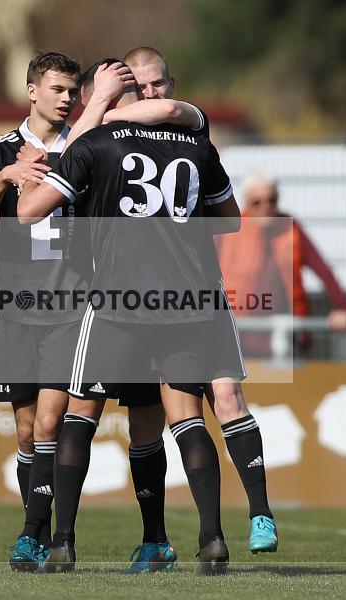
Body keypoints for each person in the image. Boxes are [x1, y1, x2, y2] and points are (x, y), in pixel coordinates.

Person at [19, 76, 240, 575]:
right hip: (182, 302)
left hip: (116, 298)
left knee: (82, 415)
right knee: (185, 419)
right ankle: (211, 537)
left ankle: (63, 542)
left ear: (101, 98)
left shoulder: (93, 143)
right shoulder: (195, 141)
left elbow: (29, 212)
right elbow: (229, 219)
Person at [0, 52, 135, 572]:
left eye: (71, 90)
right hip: (18, 307)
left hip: (72, 304)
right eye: (56, 89)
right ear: (32, 90)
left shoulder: (89, 144)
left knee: (49, 420)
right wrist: (10, 175)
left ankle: (35, 534)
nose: (65, 98)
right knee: (24, 433)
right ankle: (37, 526)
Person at [120, 46, 279, 557]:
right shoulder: (121, 144)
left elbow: (229, 218)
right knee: (182, 415)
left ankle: (260, 515)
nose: (152, 94)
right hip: (152, 303)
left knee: (225, 398)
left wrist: (102, 106)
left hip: (199, 295)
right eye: (140, 87)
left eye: (158, 83)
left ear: (173, 81)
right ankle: (211, 535)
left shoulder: (188, 129)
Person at [218, 173, 346, 356]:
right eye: (257, 202)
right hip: (236, 333)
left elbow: (322, 269)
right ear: (246, 203)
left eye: (271, 200)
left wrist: (342, 307)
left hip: (284, 334)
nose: (265, 207)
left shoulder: (290, 229)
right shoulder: (229, 228)